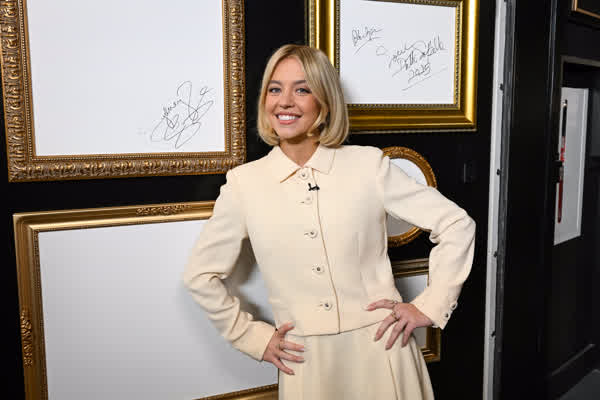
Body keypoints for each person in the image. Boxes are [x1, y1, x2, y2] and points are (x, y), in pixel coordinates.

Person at [183, 44, 475, 399]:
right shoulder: (244, 184)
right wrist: (251, 337)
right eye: (275, 89)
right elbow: (200, 276)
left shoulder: (368, 165)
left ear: (324, 102)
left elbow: (456, 223)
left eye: (301, 90)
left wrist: (429, 306)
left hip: (383, 349)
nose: (284, 102)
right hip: (306, 361)